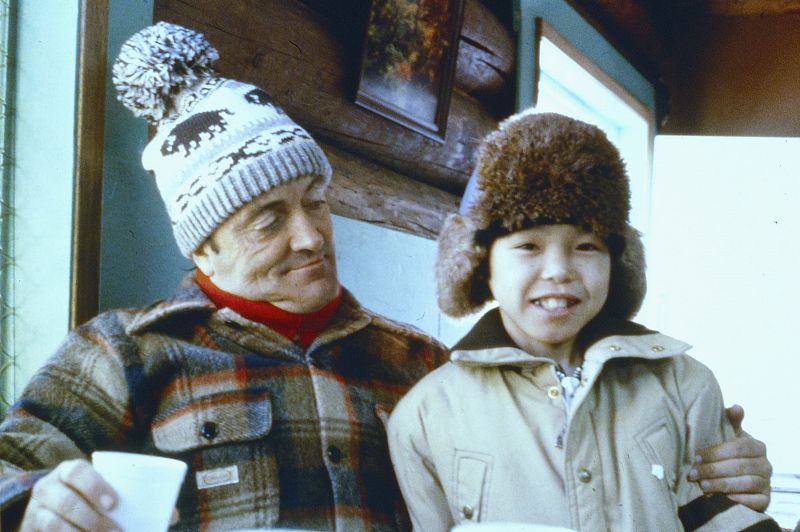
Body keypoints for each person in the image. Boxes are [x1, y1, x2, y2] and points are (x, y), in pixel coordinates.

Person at [0, 23, 771, 532]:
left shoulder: (421, 364)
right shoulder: (123, 355)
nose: (310, 237)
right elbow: (11, 470)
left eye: (315, 202)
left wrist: (714, 466)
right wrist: (39, 506)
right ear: (205, 250)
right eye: (268, 219)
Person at [387, 111, 780, 531]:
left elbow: (728, 519)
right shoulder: (425, 417)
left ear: (618, 262)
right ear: (480, 264)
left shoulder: (685, 386)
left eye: (587, 246)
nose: (559, 270)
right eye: (528, 246)